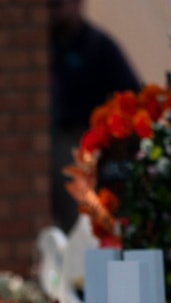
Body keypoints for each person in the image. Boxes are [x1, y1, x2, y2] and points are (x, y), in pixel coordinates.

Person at [49, 0, 140, 231]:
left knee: (81, 219)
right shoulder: (44, 46)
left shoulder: (97, 45)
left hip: (84, 142)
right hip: (49, 140)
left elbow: (132, 96)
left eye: (57, 4)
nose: (52, 10)